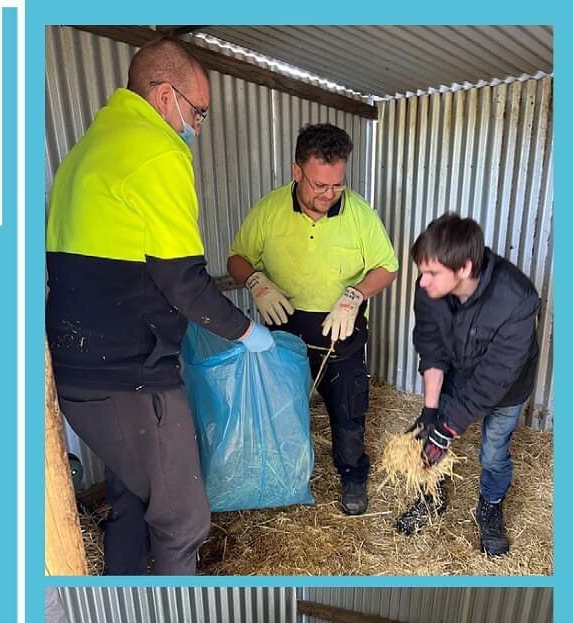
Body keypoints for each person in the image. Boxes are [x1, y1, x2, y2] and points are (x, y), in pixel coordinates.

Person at [46, 38, 273, 576]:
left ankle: (122, 589)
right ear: (165, 96)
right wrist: (247, 333)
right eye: (198, 111)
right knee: (183, 521)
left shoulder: (90, 147)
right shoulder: (158, 150)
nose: (198, 124)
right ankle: (177, 607)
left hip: (79, 374)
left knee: (130, 497)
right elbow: (184, 282)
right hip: (133, 379)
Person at [227, 123, 398, 516]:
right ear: (296, 171)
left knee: (349, 411)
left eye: (337, 185)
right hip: (284, 328)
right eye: (320, 184)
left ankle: (353, 475)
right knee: (283, 410)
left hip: (341, 330)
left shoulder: (359, 213)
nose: (329, 195)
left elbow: (387, 267)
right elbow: (237, 257)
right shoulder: (269, 209)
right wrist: (255, 281)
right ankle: (287, 476)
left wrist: (355, 295)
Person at [397, 214, 541, 556]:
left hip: (507, 385)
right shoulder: (429, 289)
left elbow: (494, 378)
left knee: (493, 450)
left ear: (464, 267)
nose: (422, 282)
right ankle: (432, 497)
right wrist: (431, 412)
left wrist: (447, 428)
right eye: (422, 271)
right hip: (457, 369)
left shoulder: (517, 298)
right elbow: (431, 345)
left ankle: (490, 506)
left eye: (432, 273)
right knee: (433, 437)